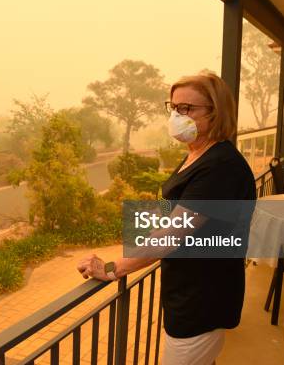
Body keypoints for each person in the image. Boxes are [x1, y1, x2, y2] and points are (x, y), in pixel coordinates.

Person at [77, 71, 256, 365]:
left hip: (202, 300)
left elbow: (172, 235)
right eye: (173, 107)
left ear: (216, 113)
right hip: (187, 291)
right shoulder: (196, 155)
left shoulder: (220, 167)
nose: (177, 115)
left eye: (187, 108)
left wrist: (112, 268)